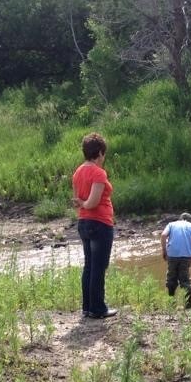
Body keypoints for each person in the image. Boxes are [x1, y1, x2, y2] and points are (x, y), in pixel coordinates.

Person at [72, 132, 117, 319]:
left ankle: (87, 307)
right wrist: (84, 204)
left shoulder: (77, 172)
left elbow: (78, 200)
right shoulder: (99, 173)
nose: (103, 157)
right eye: (103, 154)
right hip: (100, 223)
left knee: (89, 266)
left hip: (83, 222)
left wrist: (82, 204)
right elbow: (91, 202)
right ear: (99, 152)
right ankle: (98, 309)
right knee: (98, 267)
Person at [160, 212, 191, 309]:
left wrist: (164, 251)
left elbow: (163, 235)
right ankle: (188, 305)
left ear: (180, 218)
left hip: (172, 255)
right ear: (189, 220)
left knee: (171, 278)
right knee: (185, 279)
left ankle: (171, 304)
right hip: (186, 256)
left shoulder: (171, 224)